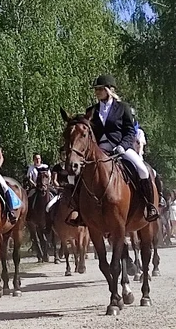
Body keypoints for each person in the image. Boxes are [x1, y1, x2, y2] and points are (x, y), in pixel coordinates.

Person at [67, 74, 158, 224]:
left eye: (100, 89)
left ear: (109, 90)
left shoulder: (123, 108)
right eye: (96, 89)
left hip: (121, 147)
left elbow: (130, 131)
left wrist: (123, 146)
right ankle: (80, 212)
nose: (97, 92)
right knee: (73, 176)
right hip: (98, 149)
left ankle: (149, 206)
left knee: (142, 169)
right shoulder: (91, 110)